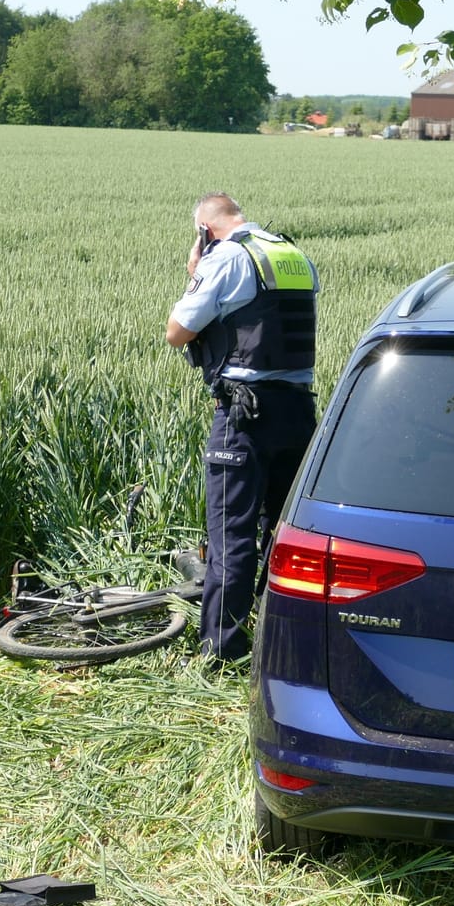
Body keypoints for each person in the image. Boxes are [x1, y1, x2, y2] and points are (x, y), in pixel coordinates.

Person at [164, 192, 320, 662]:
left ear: (205, 230)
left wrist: (198, 268)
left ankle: (221, 651)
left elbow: (178, 331)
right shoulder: (291, 254)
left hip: (244, 416)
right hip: (298, 412)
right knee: (286, 533)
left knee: (232, 534)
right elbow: (263, 316)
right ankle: (283, 645)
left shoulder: (227, 256)